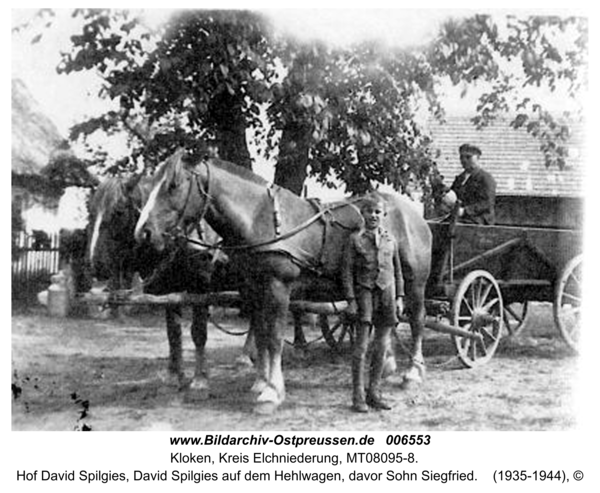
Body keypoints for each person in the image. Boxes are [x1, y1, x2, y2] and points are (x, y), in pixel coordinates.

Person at [341, 196, 404, 413]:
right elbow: (347, 271)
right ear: (363, 214)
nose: (374, 216)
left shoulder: (390, 240)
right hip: (365, 295)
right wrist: (350, 299)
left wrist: (400, 298)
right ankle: (358, 396)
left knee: (382, 346)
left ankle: (374, 392)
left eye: (378, 212)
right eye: (369, 211)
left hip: (387, 293)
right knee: (361, 348)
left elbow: (397, 271)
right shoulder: (354, 240)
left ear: (383, 215)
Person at [449, 144, 496, 225]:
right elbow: (453, 195)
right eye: (461, 157)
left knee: (454, 226)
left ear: (477, 158)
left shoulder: (486, 178)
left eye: (468, 157)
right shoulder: (460, 178)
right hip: (462, 218)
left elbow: (487, 203)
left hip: (480, 219)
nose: (464, 160)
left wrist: (465, 211)